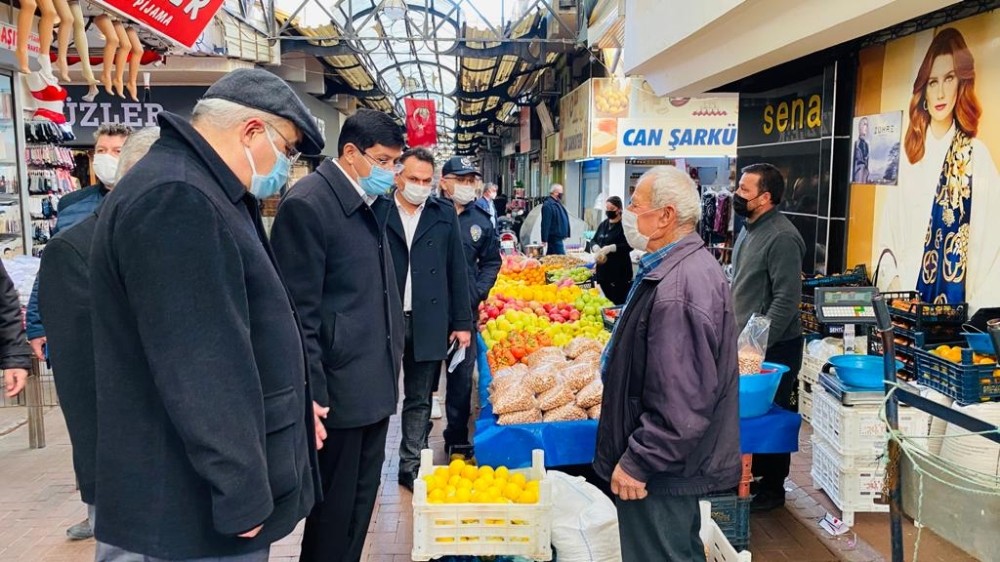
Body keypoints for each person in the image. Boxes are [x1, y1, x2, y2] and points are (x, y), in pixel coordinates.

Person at [88, 69, 324, 561]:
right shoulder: (177, 197)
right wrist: (241, 490)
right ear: (252, 131)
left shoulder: (203, 187)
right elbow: (200, 362)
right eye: (287, 149)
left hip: (200, 490)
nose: (286, 165)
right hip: (191, 500)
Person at [270, 108, 405, 562]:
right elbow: (297, 314)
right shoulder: (310, 205)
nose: (391, 171)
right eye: (383, 160)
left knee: (359, 507)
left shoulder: (369, 201)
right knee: (333, 513)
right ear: (350, 153)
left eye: (395, 162)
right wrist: (313, 392)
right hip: (338, 392)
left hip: (372, 382)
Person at [593, 166, 740, 561]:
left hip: (661, 469)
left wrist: (639, 460)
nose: (628, 215)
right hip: (668, 464)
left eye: (635, 206)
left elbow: (682, 402)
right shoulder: (674, 268)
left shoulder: (678, 288)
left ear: (665, 216)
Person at [36, 127, 159, 546]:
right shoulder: (74, 228)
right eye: (101, 149)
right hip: (124, 456)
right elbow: (82, 383)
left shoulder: (168, 228)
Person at [877, 27, 999, 311]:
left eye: (949, 78)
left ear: (961, 84)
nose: (941, 92)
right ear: (924, 90)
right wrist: (895, 286)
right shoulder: (908, 157)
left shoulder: (976, 156)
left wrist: (976, 311)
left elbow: (994, 245)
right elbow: (888, 235)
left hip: (957, 307)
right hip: (905, 301)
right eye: (933, 82)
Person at [386, 147, 473, 491]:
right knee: (379, 394)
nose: (420, 186)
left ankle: (411, 464)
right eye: (414, 179)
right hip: (386, 319)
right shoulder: (377, 210)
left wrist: (462, 323)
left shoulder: (442, 213)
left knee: (420, 396)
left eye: (426, 181)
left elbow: (457, 270)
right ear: (397, 176)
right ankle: (368, 462)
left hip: (429, 318)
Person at [25, 123, 131, 389]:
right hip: (79, 325)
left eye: (117, 151)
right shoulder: (72, 204)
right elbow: (51, 267)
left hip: (127, 325)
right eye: (101, 150)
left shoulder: (149, 199)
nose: (107, 157)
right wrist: (37, 325)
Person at [730, 163, 806, 512]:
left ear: (765, 198)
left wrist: (756, 345)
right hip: (747, 346)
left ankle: (774, 487)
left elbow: (787, 300)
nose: (737, 194)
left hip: (775, 347)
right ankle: (754, 475)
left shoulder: (782, 237)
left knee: (774, 415)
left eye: (744, 190)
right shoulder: (749, 229)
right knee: (750, 414)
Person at [438, 155, 501, 458]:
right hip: (427, 314)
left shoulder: (481, 220)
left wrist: (476, 292)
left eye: (470, 181)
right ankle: (415, 449)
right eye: (460, 180)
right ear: (444, 183)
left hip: (464, 315)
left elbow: (491, 261)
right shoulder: (430, 213)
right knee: (421, 384)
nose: (466, 185)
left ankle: (456, 439)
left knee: (461, 381)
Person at [590, 196, 633, 305]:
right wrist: (595, 247)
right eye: (607, 208)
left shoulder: (625, 226)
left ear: (619, 209)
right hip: (603, 273)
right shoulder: (603, 224)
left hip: (619, 273)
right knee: (606, 302)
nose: (609, 211)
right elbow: (593, 240)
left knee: (617, 303)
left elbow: (631, 245)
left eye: (612, 209)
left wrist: (613, 248)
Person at [541, 183, 570, 255]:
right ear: (555, 192)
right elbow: (545, 223)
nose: (562, 194)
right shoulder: (548, 205)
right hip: (554, 238)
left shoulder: (557, 203)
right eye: (561, 192)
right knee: (561, 258)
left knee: (551, 257)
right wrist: (544, 239)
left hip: (557, 237)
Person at [853, 117, 870, 183]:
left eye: (867, 125)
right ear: (860, 126)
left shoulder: (866, 145)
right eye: (864, 124)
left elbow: (867, 162)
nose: (866, 127)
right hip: (858, 175)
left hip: (864, 176)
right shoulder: (856, 144)